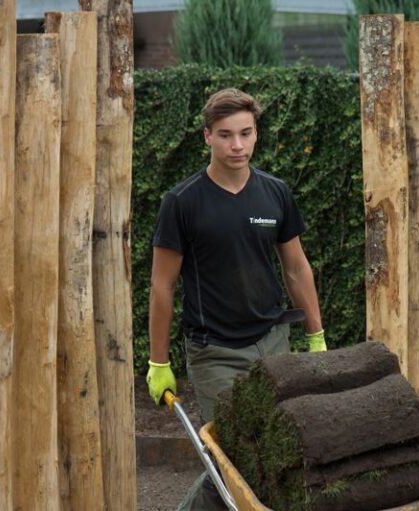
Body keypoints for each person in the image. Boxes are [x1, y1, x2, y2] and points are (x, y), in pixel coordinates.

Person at [146, 88, 326, 510]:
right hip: (215, 351)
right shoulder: (182, 202)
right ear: (207, 136)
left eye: (246, 133)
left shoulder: (275, 193)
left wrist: (315, 337)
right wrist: (159, 363)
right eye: (226, 135)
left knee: (277, 456)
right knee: (230, 461)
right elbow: (161, 286)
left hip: (273, 343)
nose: (237, 145)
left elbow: (297, 268)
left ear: (256, 133)